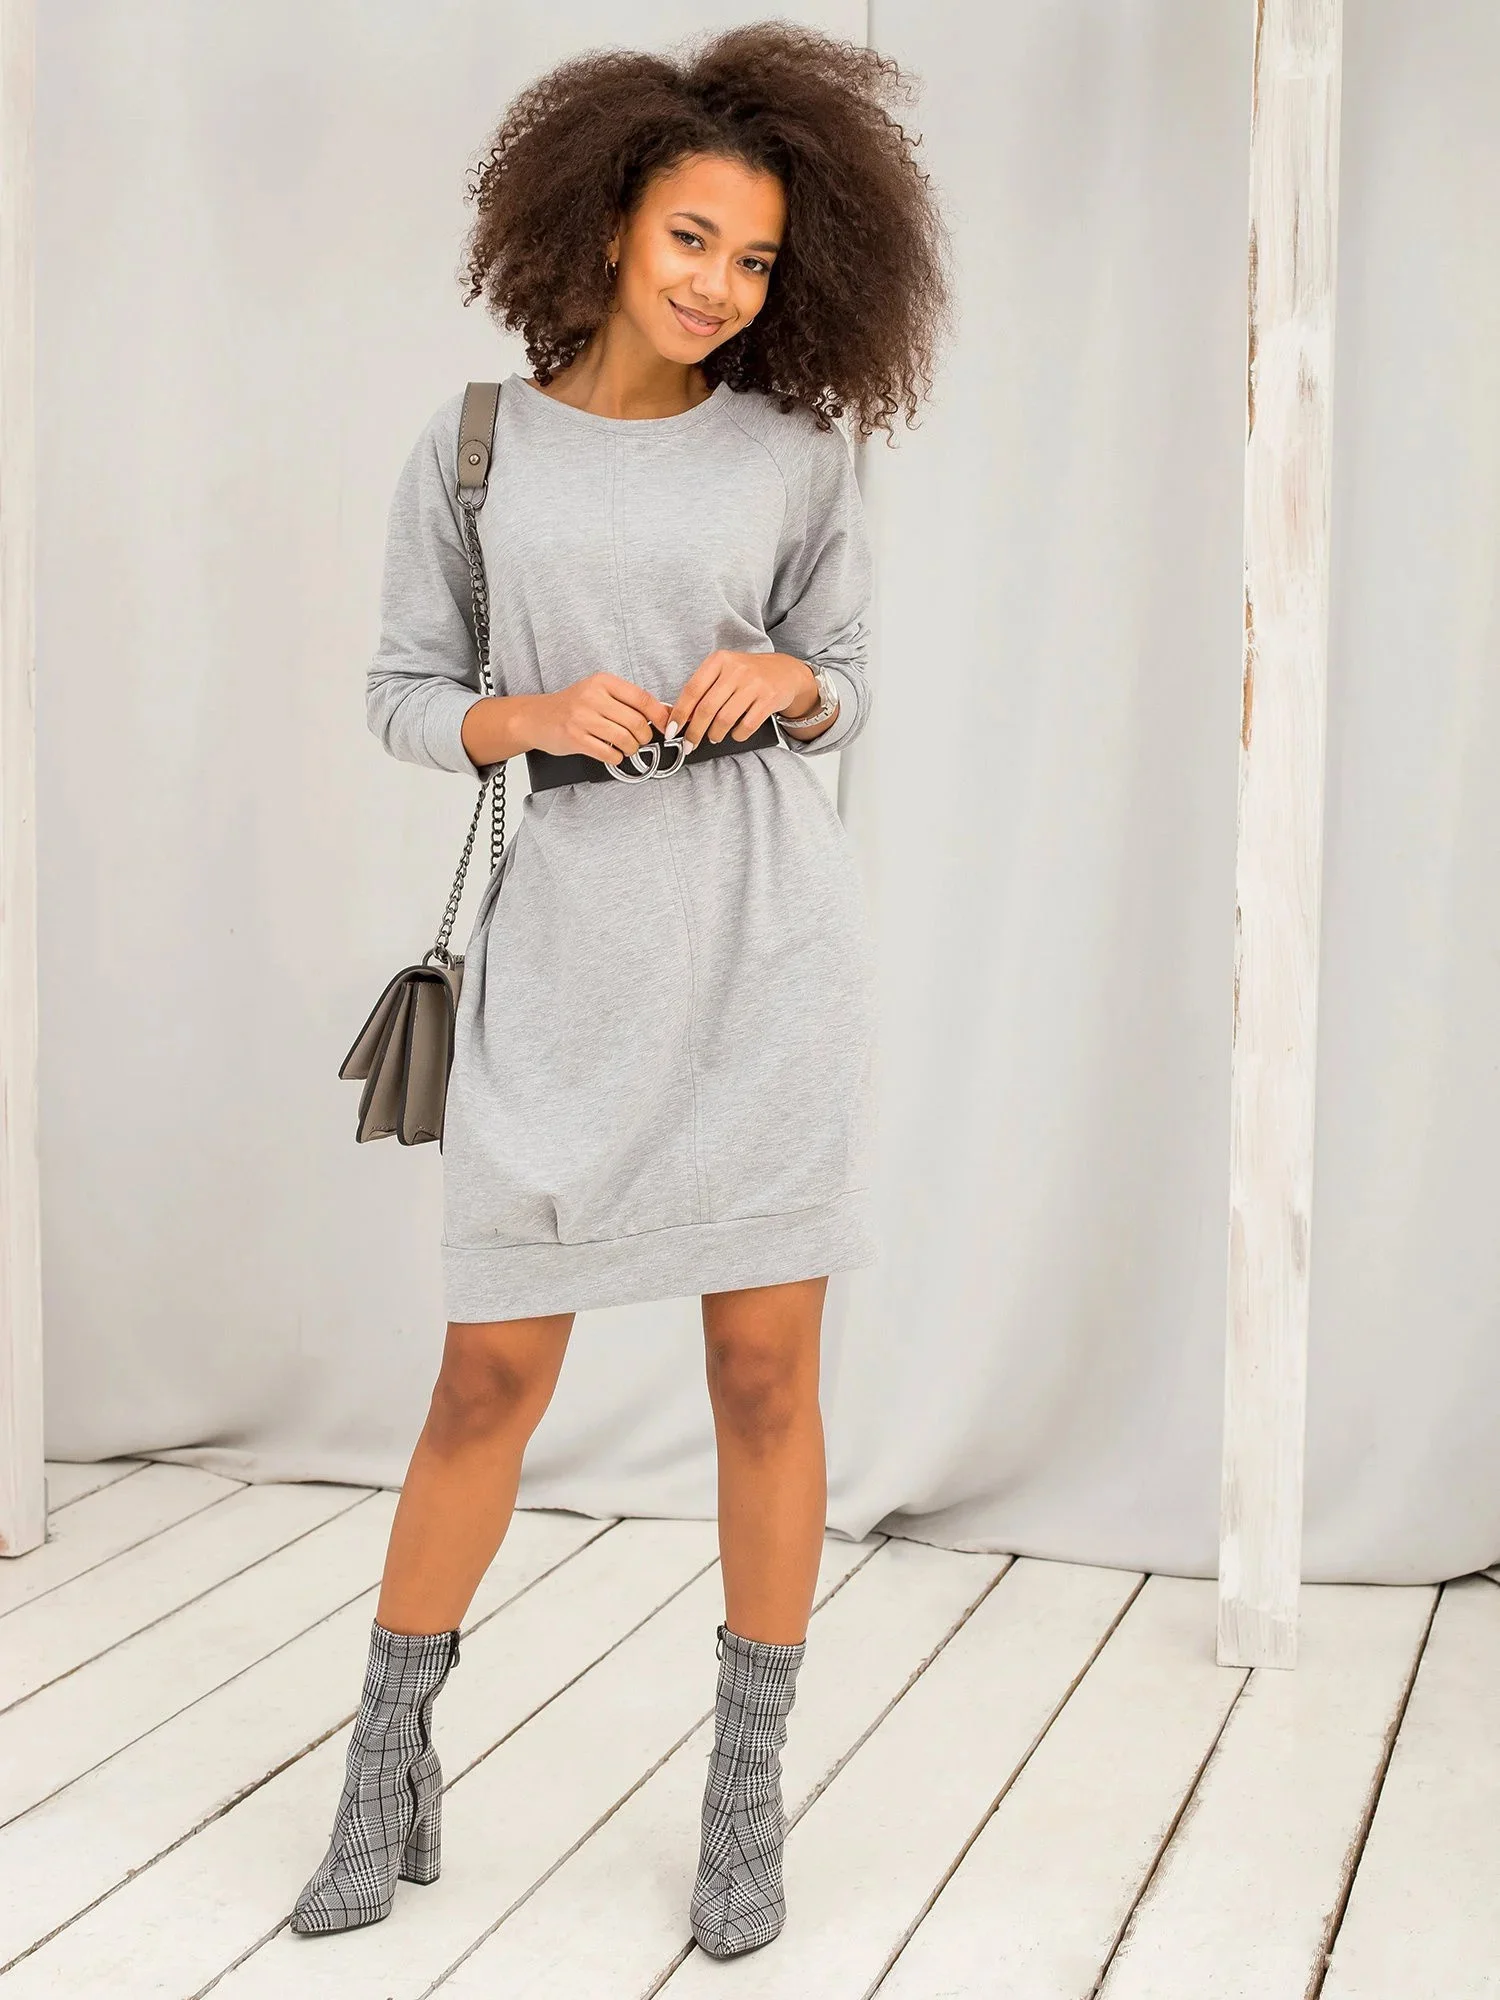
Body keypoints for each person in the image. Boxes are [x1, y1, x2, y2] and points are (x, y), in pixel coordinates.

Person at [290, 19, 950, 1958]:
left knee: (765, 1374)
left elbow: (851, 669)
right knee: (487, 1375)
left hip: (765, 946)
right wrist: (527, 714)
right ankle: (385, 1762)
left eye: (755, 258)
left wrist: (796, 684)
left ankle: (744, 1795)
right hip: (565, 955)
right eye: (690, 239)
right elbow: (403, 691)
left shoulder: (798, 449)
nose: (719, 284)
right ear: (601, 223)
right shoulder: (476, 444)